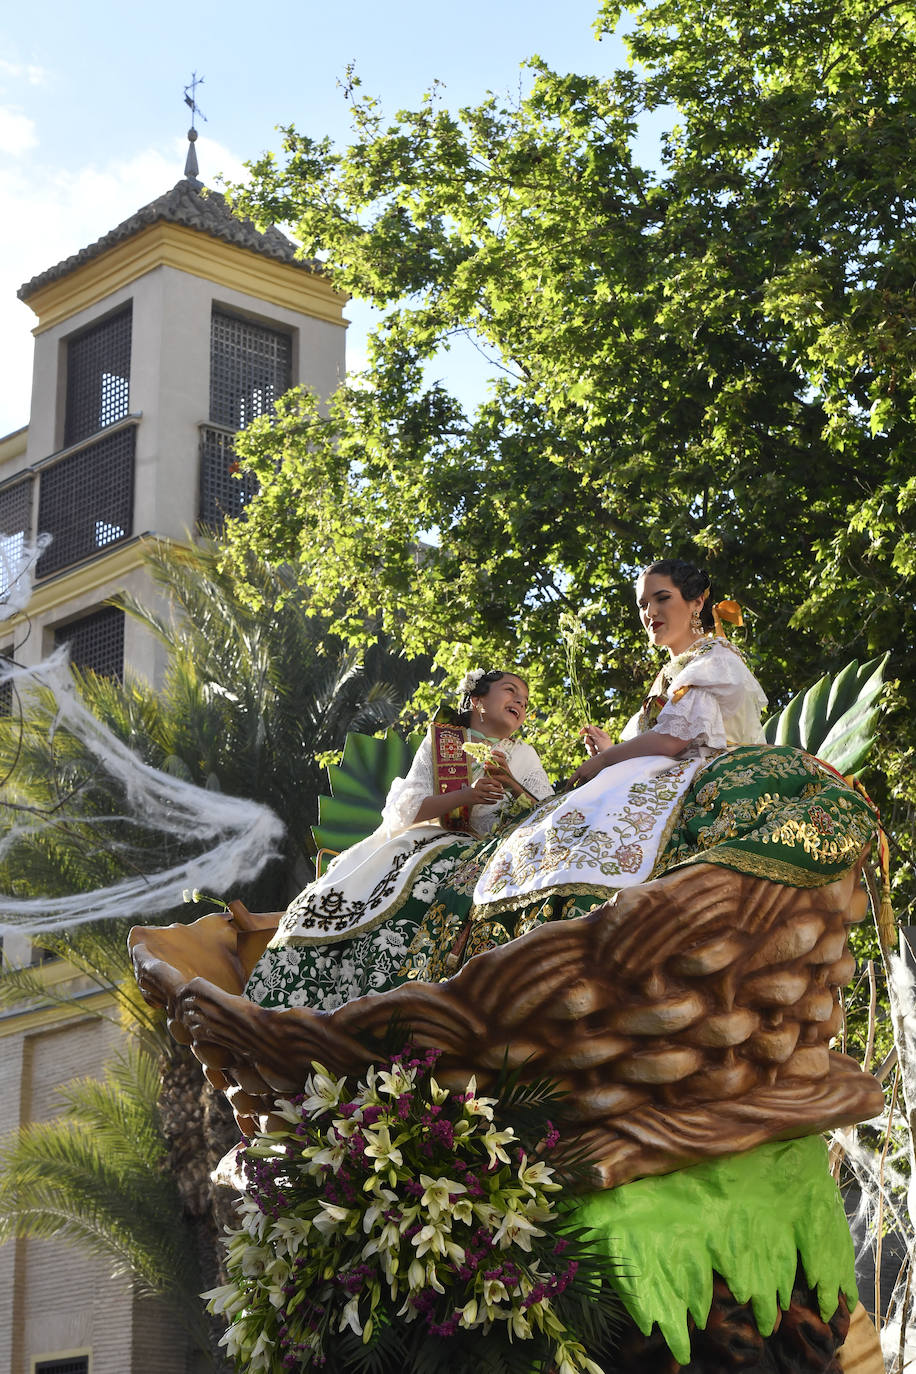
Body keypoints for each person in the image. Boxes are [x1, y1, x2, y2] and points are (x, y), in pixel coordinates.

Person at [403, 558, 770, 977]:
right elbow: (666, 739)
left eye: (661, 598)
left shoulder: (711, 659)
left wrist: (602, 760)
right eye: (642, 604)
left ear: (697, 601)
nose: (649, 613)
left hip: (699, 777)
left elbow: (675, 739)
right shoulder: (674, 671)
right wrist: (613, 750)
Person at [244, 669, 553, 1010]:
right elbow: (407, 810)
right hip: (429, 840)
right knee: (342, 894)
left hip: (491, 852)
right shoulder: (442, 741)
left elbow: (546, 815)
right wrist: (466, 795)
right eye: (511, 692)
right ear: (477, 700)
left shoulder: (524, 756)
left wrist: (510, 783)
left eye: (524, 701)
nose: (520, 703)